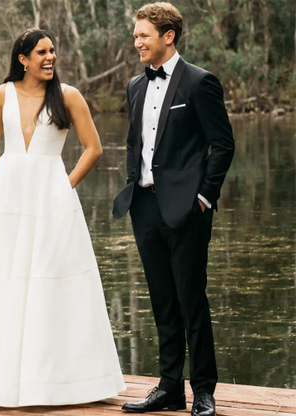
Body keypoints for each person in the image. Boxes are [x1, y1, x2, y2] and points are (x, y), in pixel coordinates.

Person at [0, 28, 126, 408]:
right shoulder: (3, 94)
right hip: (4, 203)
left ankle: (55, 382)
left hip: (52, 200)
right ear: (22, 59)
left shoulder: (68, 96)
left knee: (51, 282)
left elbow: (93, 148)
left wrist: (64, 186)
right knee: (1, 281)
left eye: (53, 50)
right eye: (41, 52)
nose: (50, 57)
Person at [113, 3, 234, 415]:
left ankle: (203, 390)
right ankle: (168, 388)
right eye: (135, 35)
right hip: (144, 206)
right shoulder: (134, 85)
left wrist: (203, 197)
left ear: (168, 36)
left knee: (190, 299)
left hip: (187, 209)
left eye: (143, 35)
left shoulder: (200, 82)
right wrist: (134, 183)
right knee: (162, 300)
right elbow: (134, 143)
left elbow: (223, 144)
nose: (137, 42)